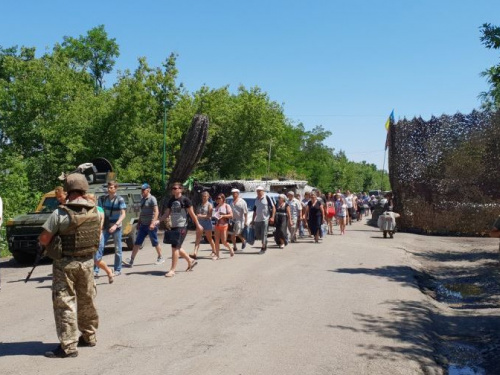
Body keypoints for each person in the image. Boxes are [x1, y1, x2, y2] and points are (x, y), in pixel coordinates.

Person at [39, 173, 100, 358]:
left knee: (65, 303)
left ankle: (68, 347)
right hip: (88, 263)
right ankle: (89, 337)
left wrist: (44, 245)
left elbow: (44, 238)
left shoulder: (60, 213)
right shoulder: (95, 211)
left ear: (68, 190)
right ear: (84, 189)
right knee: (87, 300)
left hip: (65, 265)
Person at [160, 182, 203, 277]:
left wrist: (198, 225)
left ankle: (172, 270)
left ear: (181, 189)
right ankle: (190, 261)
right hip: (174, 226)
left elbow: (192, 214)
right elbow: (167, 213)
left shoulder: (185, 200)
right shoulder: (171, 200)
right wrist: (158, 221)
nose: (173, 190)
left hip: (182, 226)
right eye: (172, 188)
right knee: (177, 247)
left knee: (175, 248)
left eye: (175, 188)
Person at [123, 183, 164, 268]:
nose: (142, 191)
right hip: (143, 225)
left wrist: (153, 223)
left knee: (155, 242)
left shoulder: (152, 199)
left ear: (148, 190)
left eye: (143, 190)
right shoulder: (142, 199)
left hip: (150, 225)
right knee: (137, 243)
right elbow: (141, 212)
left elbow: (156, 211)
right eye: (141, 190)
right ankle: (131, 260)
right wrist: (139, 223)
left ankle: (160, 257)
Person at [95, 181, 127, 276]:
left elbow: (123, 214)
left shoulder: (120, 199)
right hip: (106, 226)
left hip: (116, 227)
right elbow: (100, 211)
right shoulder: (104, 199)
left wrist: (115, 225)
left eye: (112, 187)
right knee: (99, 247)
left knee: (118, 248)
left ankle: (117, 269)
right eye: (108, 187)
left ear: (116, 188)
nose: (109, 189)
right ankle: (96, 270)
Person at [87, 194, 114, 284]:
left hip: (98, 237)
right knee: (88, 260)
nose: (89, 201)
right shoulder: (85, 210)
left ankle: (109, 271)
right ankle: (90, 280)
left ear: (94, 200)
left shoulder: (99, 210)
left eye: (91, 199)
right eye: (87, 199)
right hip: (87, 238)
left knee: (97, 260)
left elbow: (100, 225)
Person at [191, 191, 215, 259]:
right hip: (200, 223)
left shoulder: (209, 205)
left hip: (207, 223)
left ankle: (214, 251)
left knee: (209, 238)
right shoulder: (199, 205)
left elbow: (210, 215)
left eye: (205, 196)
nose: (204, 197)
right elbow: (197, 214)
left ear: (208, 197)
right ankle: (195, 253)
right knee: (198, 238)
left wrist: (201, 216)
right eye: (203, 196)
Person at [251, 186, 276, 253]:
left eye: (260, 191)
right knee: (258, 235)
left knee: (264, 234)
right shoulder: (256, 199)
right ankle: (265, 242)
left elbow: (273, 208)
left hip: (265, 219)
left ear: (263, 191)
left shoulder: (267, 198)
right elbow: (255, 210)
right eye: (257, 191)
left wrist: (272, 217)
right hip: (257, 220)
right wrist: (253, 220)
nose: (258, 192)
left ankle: (263, 247)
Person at [212, 193, 234, 259]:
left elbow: (231, 215)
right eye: (217, 198)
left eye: (219, 198)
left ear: (223, 199)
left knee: (224, 242)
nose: (218, 200)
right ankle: (217, 255)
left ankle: (230, 248)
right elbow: (215, 215)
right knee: (216, 241)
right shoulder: (216, 207)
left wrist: (223, 215)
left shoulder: (227, 206)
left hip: (224, 225)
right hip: (217, 225)